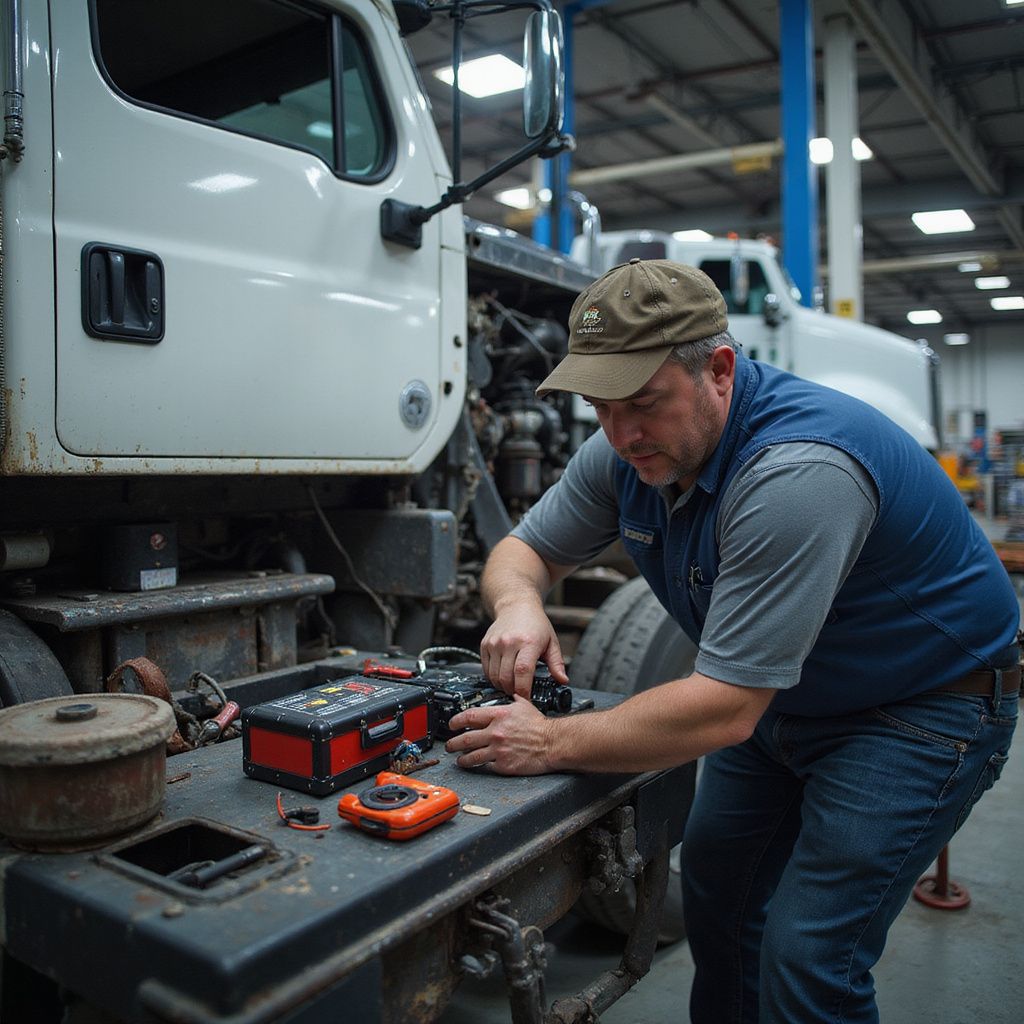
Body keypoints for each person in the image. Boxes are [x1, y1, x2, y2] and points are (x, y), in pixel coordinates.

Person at [445, 258, 1021, 1023]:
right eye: (598, 407)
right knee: (719, 899)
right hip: (788, 695)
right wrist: (517, 605)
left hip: (918, 709)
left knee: (810, 953)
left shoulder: (799, 474)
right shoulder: (626, 449)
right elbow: (524, 551)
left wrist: (550, 743)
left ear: (719, 369)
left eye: (643, 404)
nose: (620, 434)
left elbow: (722, 709)